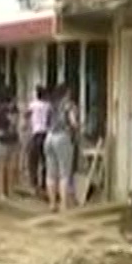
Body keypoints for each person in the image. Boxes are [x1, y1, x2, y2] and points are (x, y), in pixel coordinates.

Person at [42, 82, 80, 213]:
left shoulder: (51, 105)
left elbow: (46, 124)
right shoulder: (69, 105)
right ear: (67, 92)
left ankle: (52, 204)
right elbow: (73, 122)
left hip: (49, 137)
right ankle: (64, 205)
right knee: (64, 173)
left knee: (51, 174)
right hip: (62, 137)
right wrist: (77, 128)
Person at [25, 85, 52, 195]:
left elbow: (26, 115)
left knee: (33, 161)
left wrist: (28, 124)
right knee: (45, 161)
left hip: (35, 134)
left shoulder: (32, 105)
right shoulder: (48, 106)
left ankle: (34, 184)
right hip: (46, 134)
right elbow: (50, 119)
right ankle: (44, 184)